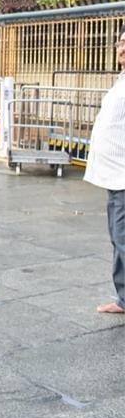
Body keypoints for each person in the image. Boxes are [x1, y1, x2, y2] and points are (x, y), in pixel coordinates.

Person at [84, 23, 125, 314]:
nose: (121, 48)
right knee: (118, 239)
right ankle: (123, 298)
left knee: (123, 239)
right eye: (121, 43)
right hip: (115, 178)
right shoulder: (121, 80)